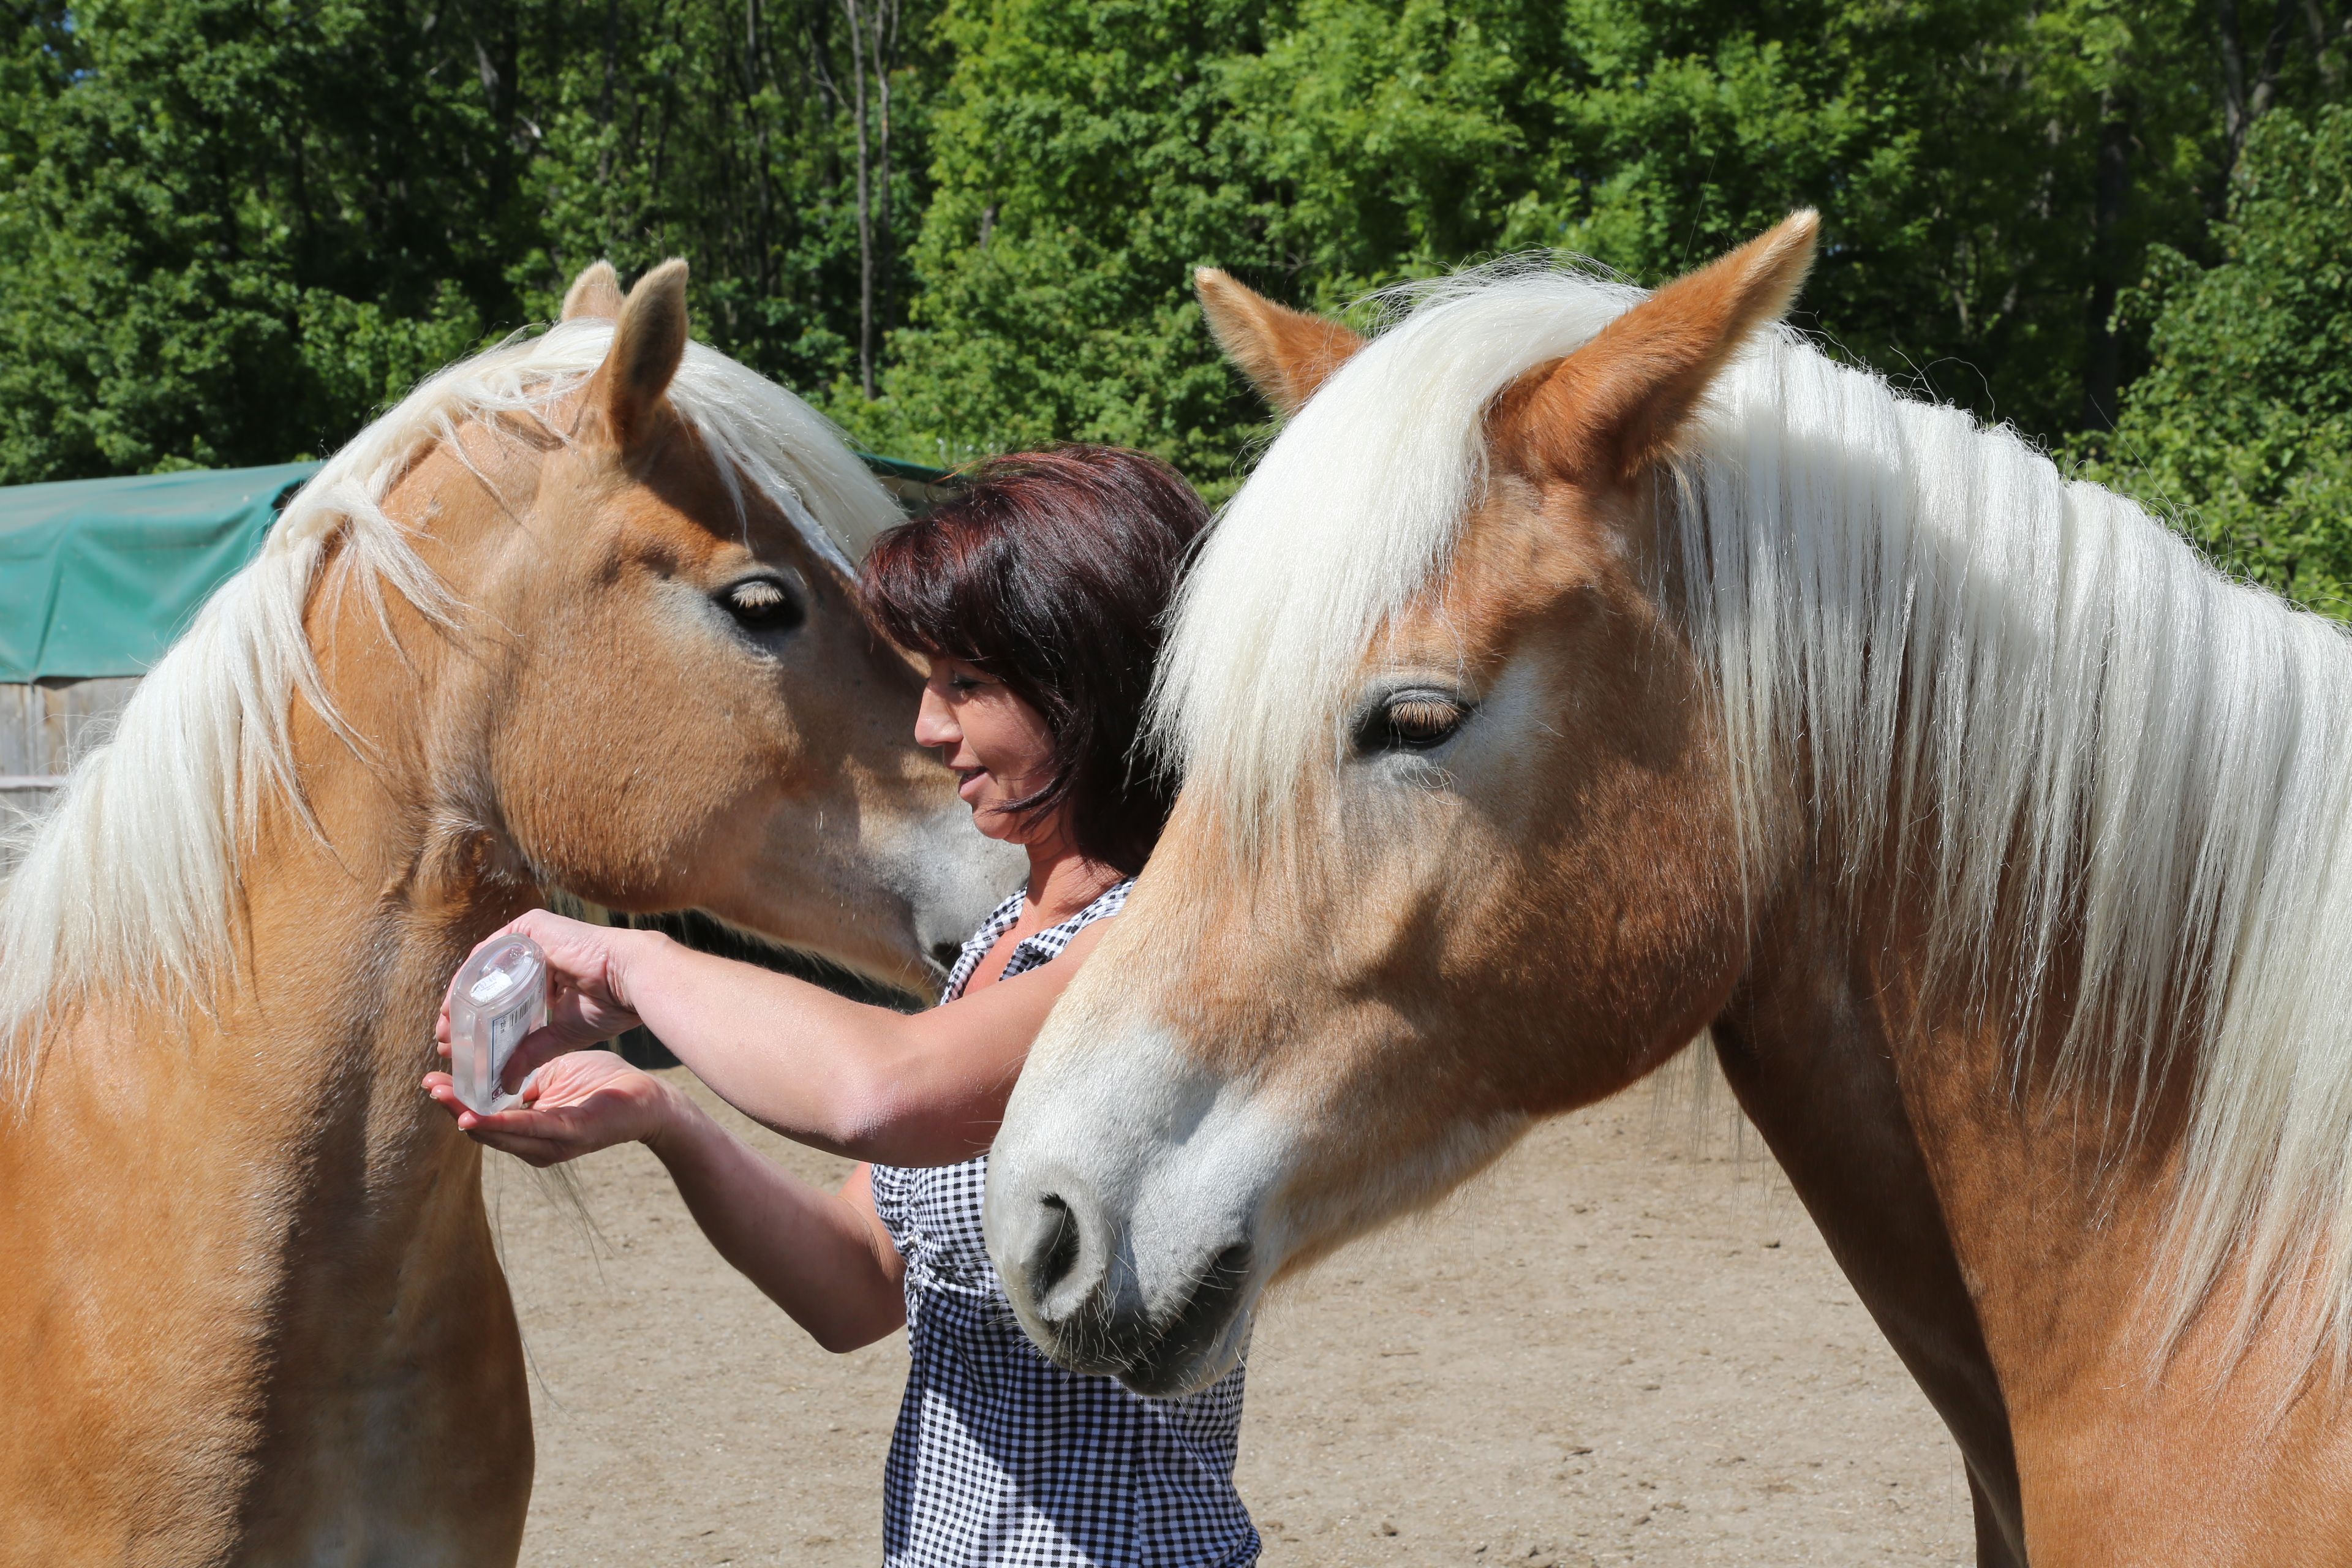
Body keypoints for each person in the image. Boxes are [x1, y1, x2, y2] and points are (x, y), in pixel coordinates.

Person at [423, 445, 1256, 1568]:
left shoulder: (1168, 951)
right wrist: (661, 1120)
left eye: (968, 684)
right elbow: (860, 1284)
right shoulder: (1003, 949)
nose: (926, 726)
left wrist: (635, 966)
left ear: (1087, 686)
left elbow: (882, 1092)